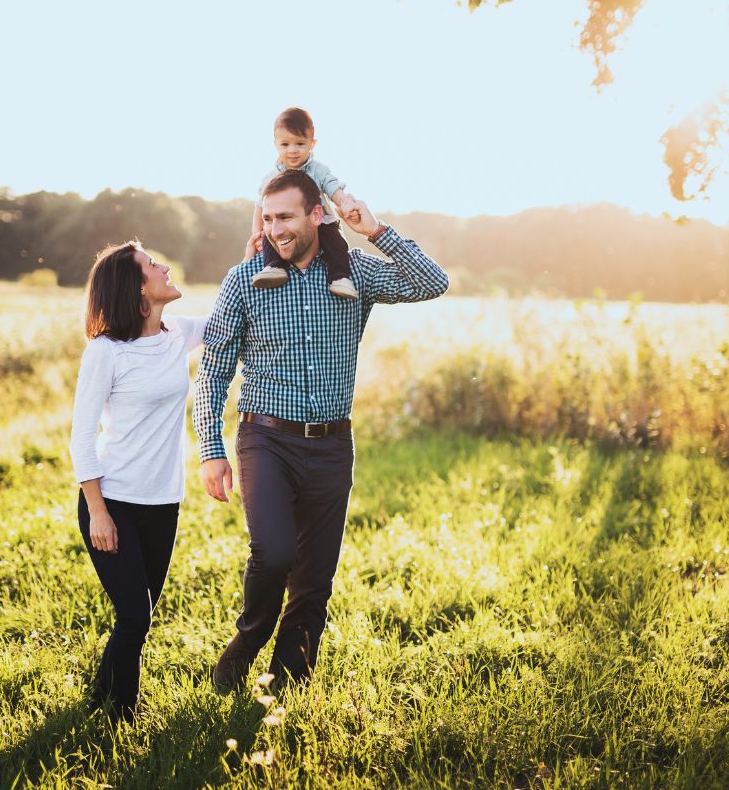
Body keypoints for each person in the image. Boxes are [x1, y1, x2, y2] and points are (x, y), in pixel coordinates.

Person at [194, 169, 449, 692]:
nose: (274, 229)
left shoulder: (353, 272)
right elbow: (215, 369)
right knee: (274, 553)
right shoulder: (245, 280)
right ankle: (248, 641)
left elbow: (433, 282)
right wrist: (210, 449)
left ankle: (288, 682)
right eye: (267, 218)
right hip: (265, 438)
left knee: (314, 578)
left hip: (333, 445)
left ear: (317, 215)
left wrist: (375, 230)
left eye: (285, 217)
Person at [69, 240, 207, 723]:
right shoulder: (105, 352)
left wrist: (260, 252)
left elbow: (236, 315)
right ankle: (119, 717)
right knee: (134, 616)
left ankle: (100, 700)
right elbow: (82, 439)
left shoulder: (177, 334)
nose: (165, 266)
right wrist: (99, 512)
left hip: (163, 501)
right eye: (152, 265)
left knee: (139, 617)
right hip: (113, 501)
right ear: (137, 289)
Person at [248, 106, 359, 300]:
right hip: (280, 227)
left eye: (300, 143)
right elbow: (260, 207)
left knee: (337, 244)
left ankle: (340, 277)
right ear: (275, 144)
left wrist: (346, 204)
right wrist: (257, 233)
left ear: (312, 144)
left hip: (322, 222)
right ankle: (273, 267)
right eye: (285, 144)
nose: (292, 150)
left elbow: (333, 188)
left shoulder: (318, 170)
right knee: (271, 235)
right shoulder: (270, 178)